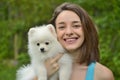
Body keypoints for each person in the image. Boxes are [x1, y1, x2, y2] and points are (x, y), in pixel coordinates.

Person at [34, 2, 114, 80]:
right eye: (62, 27)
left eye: (76, 26)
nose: (69, 32)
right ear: (53, 33)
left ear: (87, 30)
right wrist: (43, 75)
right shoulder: (36, 69)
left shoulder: (103, 75)